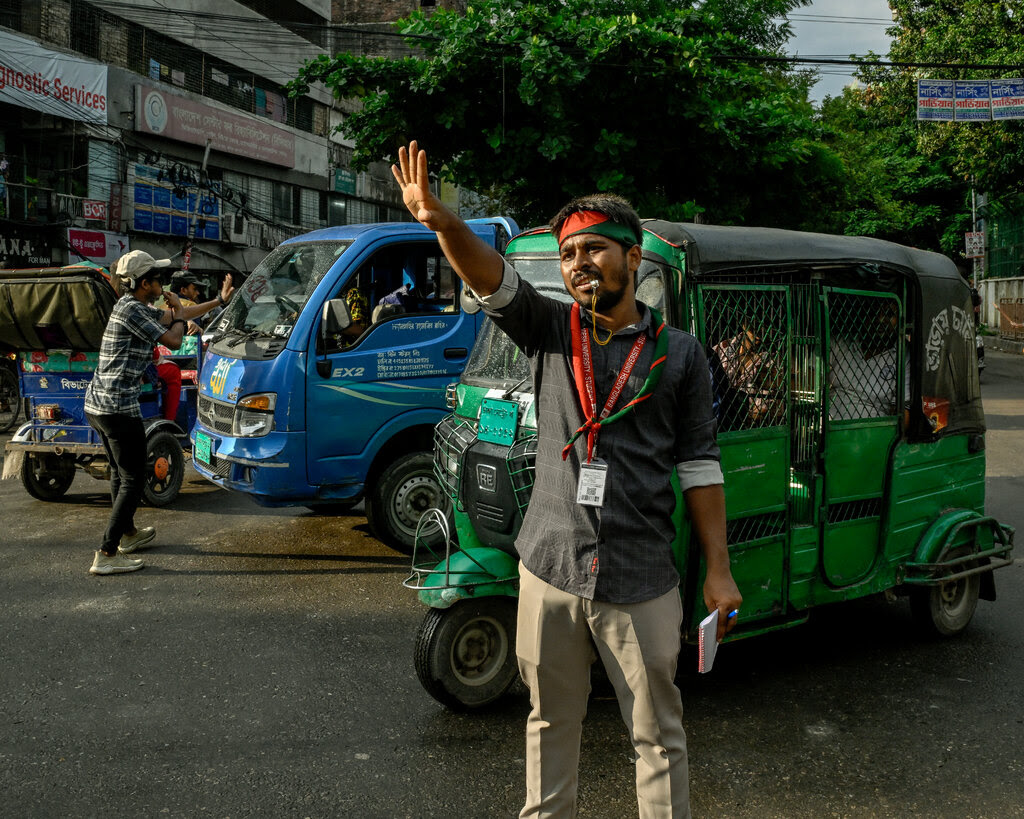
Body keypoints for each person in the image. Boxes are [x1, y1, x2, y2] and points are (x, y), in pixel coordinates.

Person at [392, 141, 741, 818]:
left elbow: (701, 466)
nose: (581, 264)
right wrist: (441, 222)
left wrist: (718, 569)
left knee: (658, 735)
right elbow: (492, 279)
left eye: (596, 249)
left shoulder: (681, 355)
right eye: (571, 254)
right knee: (549, 721)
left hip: (640, 577)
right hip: (548, 568)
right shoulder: (551, 329)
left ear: (633, 257)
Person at [84, 250, 234, 575]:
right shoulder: (133, 311)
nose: (162, 284)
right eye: (157, 279)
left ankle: (127, 535)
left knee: (121, 473)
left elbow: (177, 315)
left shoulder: (134, 308)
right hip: (116, 406)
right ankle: (107, 553)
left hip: (100, 404)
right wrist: (179, 313)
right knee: (134, 478)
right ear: (144, 283)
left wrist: (216, 303)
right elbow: (176, 339)